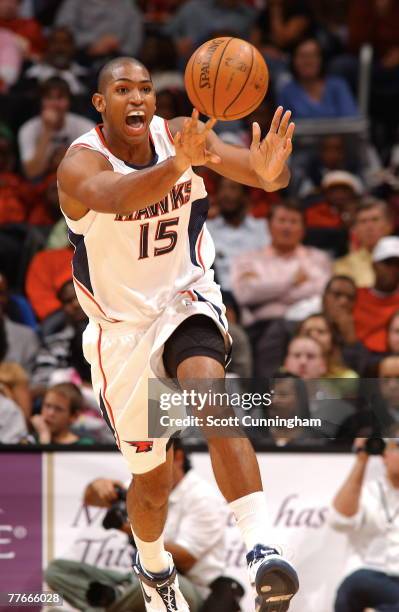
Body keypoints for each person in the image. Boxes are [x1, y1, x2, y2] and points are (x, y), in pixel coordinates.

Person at [56, 56, 299, 611]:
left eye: (145, 88)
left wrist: (269, 170)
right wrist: (178, 167)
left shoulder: (180, 137)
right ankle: (152, 562)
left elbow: (263, 175)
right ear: (100, 104)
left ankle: (262, 546)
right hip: (120, 333)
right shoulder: (78, 164)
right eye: (122, 89)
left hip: (184, 299)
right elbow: (116, 197)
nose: (137, 98)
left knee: (209, 391)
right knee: (152, 482)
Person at [45, 441, 240, 612]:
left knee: (151, 582)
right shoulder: (145, 484)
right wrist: (98, 486)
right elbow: (91, 500)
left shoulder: (203, 497)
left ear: (177, 457)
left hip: (192, 588)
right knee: (57, 571)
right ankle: (115, 597)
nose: (148, 464)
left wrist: (128, 528)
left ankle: (115, 597)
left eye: (153, 456)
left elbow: (186, 558)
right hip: (137, 578)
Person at [329, 437, 399, 612]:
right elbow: (338, 521)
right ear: (384, 454)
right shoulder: (368, 491)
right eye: (398, 446)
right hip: (369, 574)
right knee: (351, 588)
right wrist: (362, 459)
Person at [18, 76, 94, 179]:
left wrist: (67, 159)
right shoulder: (28, 129)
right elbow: (32, 173)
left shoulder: (86, 127)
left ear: (69, 102)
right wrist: (47, 130)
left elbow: (93, 170)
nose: (54, 104)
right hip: (42, 183)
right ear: (41, 102)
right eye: (49, 98)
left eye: (60, 98)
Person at [206, 177, 270, 290]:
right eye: (222, 188)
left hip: (261, 293)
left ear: (246, 197)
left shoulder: (263, 228)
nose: (226, 194)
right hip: (221, 297)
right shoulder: (206, 230)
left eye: (233, 188)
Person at [278, 37, 359, 120]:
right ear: (293, 60)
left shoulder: (338, 85)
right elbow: (282, 127)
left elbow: (352, 121)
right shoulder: (287, 92)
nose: (308, 61)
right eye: (303, 56)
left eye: (313, 56)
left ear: (321, 59)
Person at [55, 0, 144, 62]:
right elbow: (62, 31)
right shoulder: (74, 3)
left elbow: (134, 43)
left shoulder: (127, 6)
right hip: (79, 57)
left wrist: (116, 48)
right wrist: (91, 43)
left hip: (117, 60)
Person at [334, 199, 394, 287]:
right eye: (363, 221)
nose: (369, 227)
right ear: (355, 230)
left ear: (389, 226)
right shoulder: (342, 266)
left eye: (375, 220)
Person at [354, 236, 399, 352]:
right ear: (374, 265)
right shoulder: (354, 296)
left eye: (397, 264)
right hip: (358, 359)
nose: (393, 269)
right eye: (387, 263)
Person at [30, 382, 94, 445]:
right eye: (47, 406)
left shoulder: (85, 445)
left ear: (74, 416)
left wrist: (44, 436)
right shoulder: (30, 441)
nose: (50, 413)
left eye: (58, 409)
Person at [298, 313, 358, 378]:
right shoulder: (287, 373)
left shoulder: (346, 378)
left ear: (333, 340)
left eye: (321, 331)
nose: (313, 336)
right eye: (307, 332)